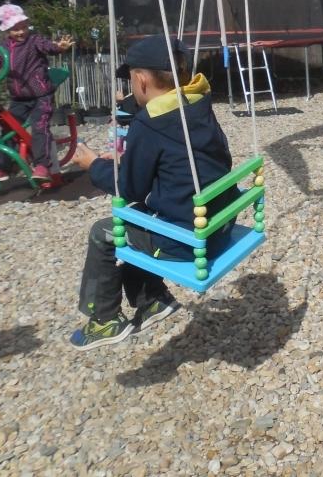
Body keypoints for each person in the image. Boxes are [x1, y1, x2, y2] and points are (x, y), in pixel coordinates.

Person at [68, 35, 239, 350]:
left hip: (190, 240)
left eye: (131, 80)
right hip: (220, 224)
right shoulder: (197, 103)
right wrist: (127, 158)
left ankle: (104, 320)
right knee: (140, 218)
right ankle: (152, 301)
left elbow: (130, 188)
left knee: (104, 232)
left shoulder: (148, 124)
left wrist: (94, 165)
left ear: (141, 80)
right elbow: (178, 155)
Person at [0, 4, 72, 185]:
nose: (21, 32)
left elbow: (48, 46)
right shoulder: (3, 48)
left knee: (40, 126)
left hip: (41, 95)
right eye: (16, 29)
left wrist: (59, 47)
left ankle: (42, 166)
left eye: (24, 27)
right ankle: (0, 168)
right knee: (9, 131)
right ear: (7, 30)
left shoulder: (34, 41)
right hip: (19, 98)